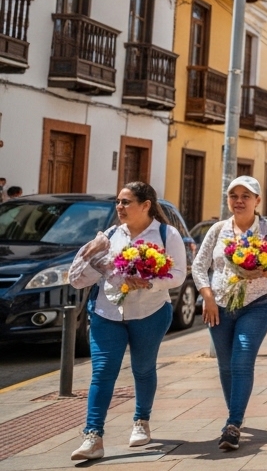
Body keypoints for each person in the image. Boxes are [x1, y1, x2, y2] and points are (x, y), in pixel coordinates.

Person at [67, 182, 188, 461]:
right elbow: (78, 279)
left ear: (146, 205)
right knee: (102, 372)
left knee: (143, 369)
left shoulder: (166, 234)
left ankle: (141, 421)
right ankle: (93, 436)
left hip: (151, 313)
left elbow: (179, 274)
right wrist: (90, 254)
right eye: (118, 202)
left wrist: (148, 282)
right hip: (107, 313)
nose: (119, 207)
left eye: (126, 202)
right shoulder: (108, 235)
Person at [191, 176, 267, 451]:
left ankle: (233, 424)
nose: (238, 201)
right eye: (233, 195)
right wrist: (208, 297)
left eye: (245, 196)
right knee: (225, 366)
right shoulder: (218, 230)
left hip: (257, 304)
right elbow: (199, 267)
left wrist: (265, 270)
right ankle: (235, 416)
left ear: (257, 201)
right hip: (220, 307)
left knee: (242, 360)